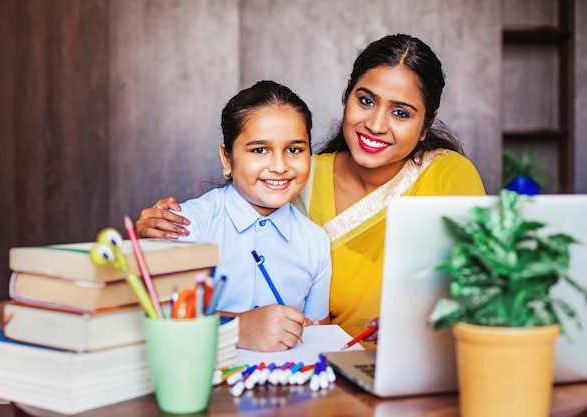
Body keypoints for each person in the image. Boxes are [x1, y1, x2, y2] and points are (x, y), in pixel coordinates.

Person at [136, 34, 485, 343]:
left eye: (402, 113)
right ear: (347, 93)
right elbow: (157, 311)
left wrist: (415, 327)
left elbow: (484, 293)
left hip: (410, 363)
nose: (376, 125)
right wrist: (150, 243)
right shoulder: (295, 178)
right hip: (318, 367)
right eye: (366, 100)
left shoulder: (448, 176)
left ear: (427, 124)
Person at [138, 80, 331, 351]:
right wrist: (238, 328)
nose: (279, 166)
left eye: (294, 150)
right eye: (259, 150)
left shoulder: (315, 242)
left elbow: (317, 336)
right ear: (227, 158)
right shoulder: (187, 225)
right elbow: (158, 320)